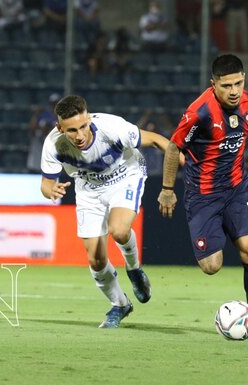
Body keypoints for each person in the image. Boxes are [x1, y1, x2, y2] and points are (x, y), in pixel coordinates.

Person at [157, 54, 248, 342]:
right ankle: (237, 314)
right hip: (203, 195)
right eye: (227, 85)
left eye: (239, 83)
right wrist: (168, 190)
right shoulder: (199, 113)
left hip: (237, 188)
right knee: (211, 266)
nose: (234, 91)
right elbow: (173, 148)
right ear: (213, 84)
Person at [40, 95, 182, 328]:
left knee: (119, 229)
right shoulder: (53, 144)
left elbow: (156, 140)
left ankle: (134, 269)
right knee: (95, 259)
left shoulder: (113, 127)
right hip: (88, 190)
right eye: (72, 130)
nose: (80, 135)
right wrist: (50, 190)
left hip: (124, 176)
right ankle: (120, 304)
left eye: (83, 126)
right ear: (59, 128)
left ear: (89, 117)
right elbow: (45, 184)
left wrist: (182, 157)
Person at [28, 93, 59, 173]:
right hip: (37, 157)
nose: (54, 106)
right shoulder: (44, 115)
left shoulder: (62, 117)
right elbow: (32, 130)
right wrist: (36, 114)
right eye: (53, 104)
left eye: (57, 103)